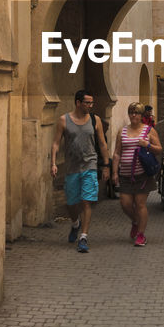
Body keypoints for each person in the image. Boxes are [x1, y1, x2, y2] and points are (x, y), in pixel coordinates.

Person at [50, 89, 110, 253]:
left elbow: (102, 143)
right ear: (78, 103)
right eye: (87, 103)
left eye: (92, 103)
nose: (90, 105)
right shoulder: (64, 120)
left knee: (86, 201)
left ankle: (83, 237)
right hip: (72, 167)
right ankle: (75, 224)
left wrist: (106, 165)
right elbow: (55, 143)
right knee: (71, 204)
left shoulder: (94, 119)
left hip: (90, 165)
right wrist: (53, 163)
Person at [112, 101, 162, 247]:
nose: (134, 115)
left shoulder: (149, 131)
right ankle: (135, 221)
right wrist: (115, 172)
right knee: (125, 203)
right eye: (131, 112)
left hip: (142, 175)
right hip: (125, 175)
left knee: (140, 204)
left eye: (137, 113)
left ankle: (141, 235)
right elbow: (116, 153)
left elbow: (159, 149)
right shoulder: (122, 131)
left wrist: (147, 145)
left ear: (141, 116)